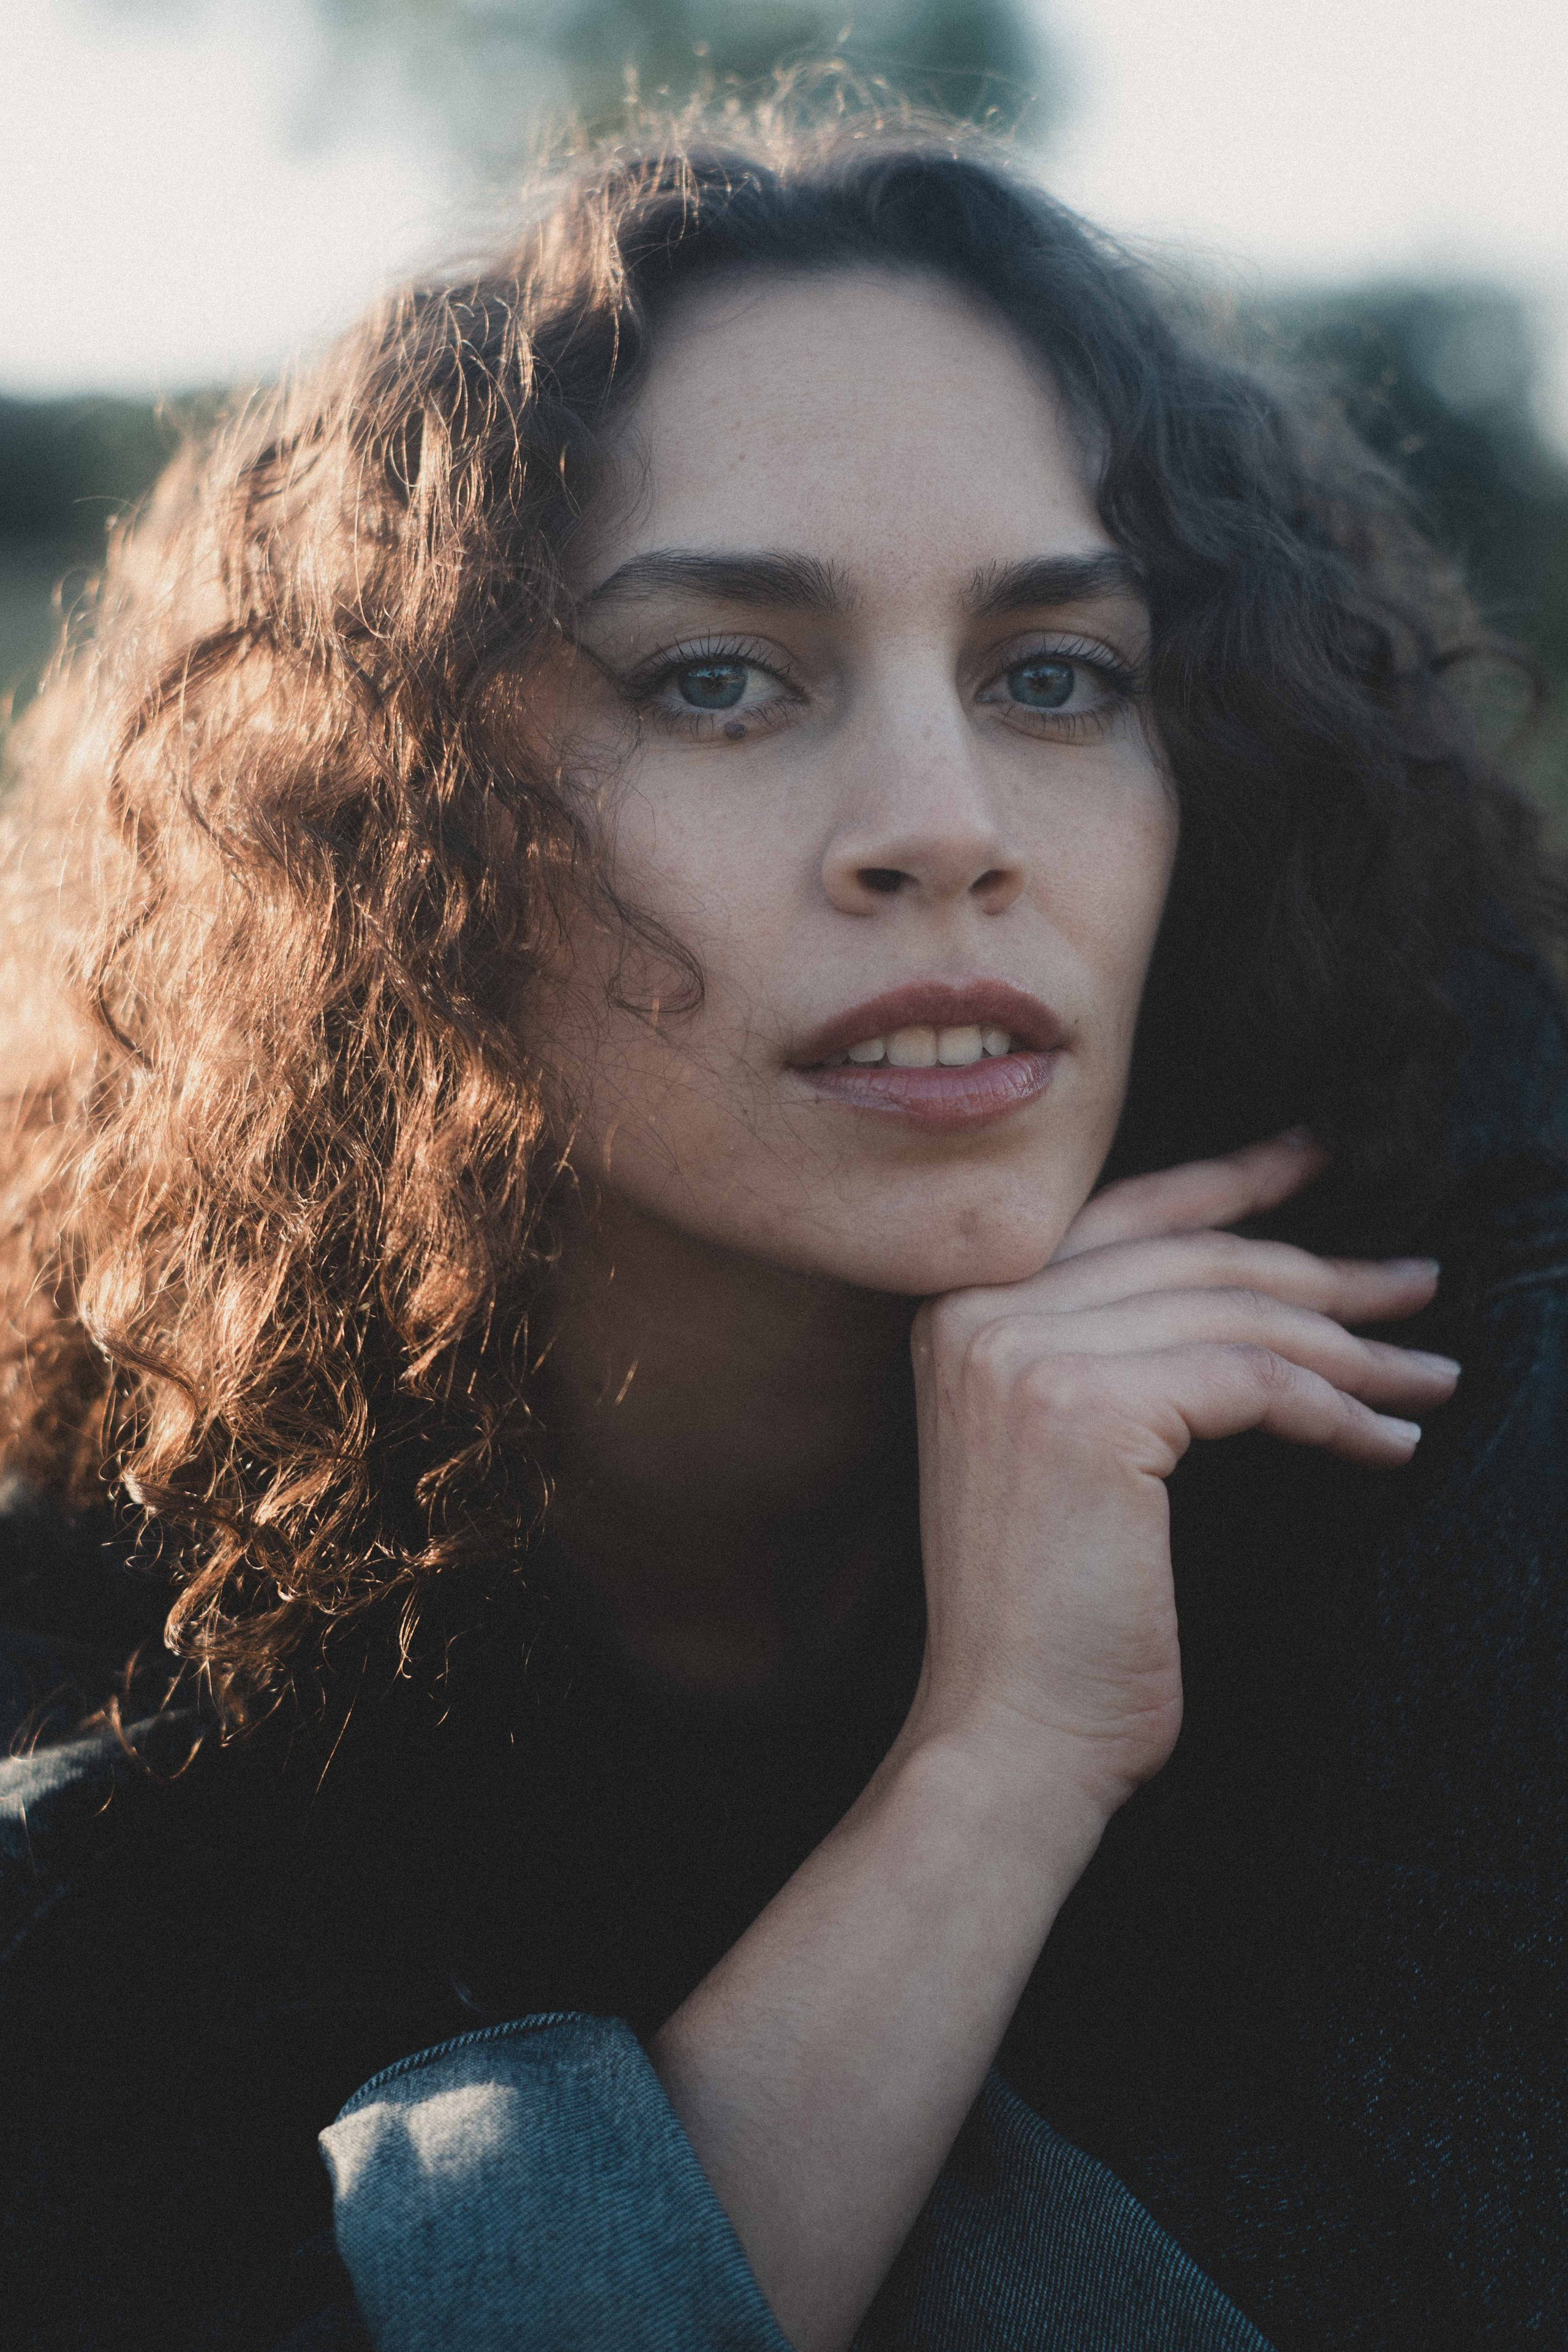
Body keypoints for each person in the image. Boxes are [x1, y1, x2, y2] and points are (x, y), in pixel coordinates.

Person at [2, 95, 1565, 2352]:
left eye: (1056, 674)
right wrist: (998, 1764)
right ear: (395, 832)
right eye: (717, 679)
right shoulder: (102, 1657)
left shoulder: (1442, 1407)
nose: (943, 825)